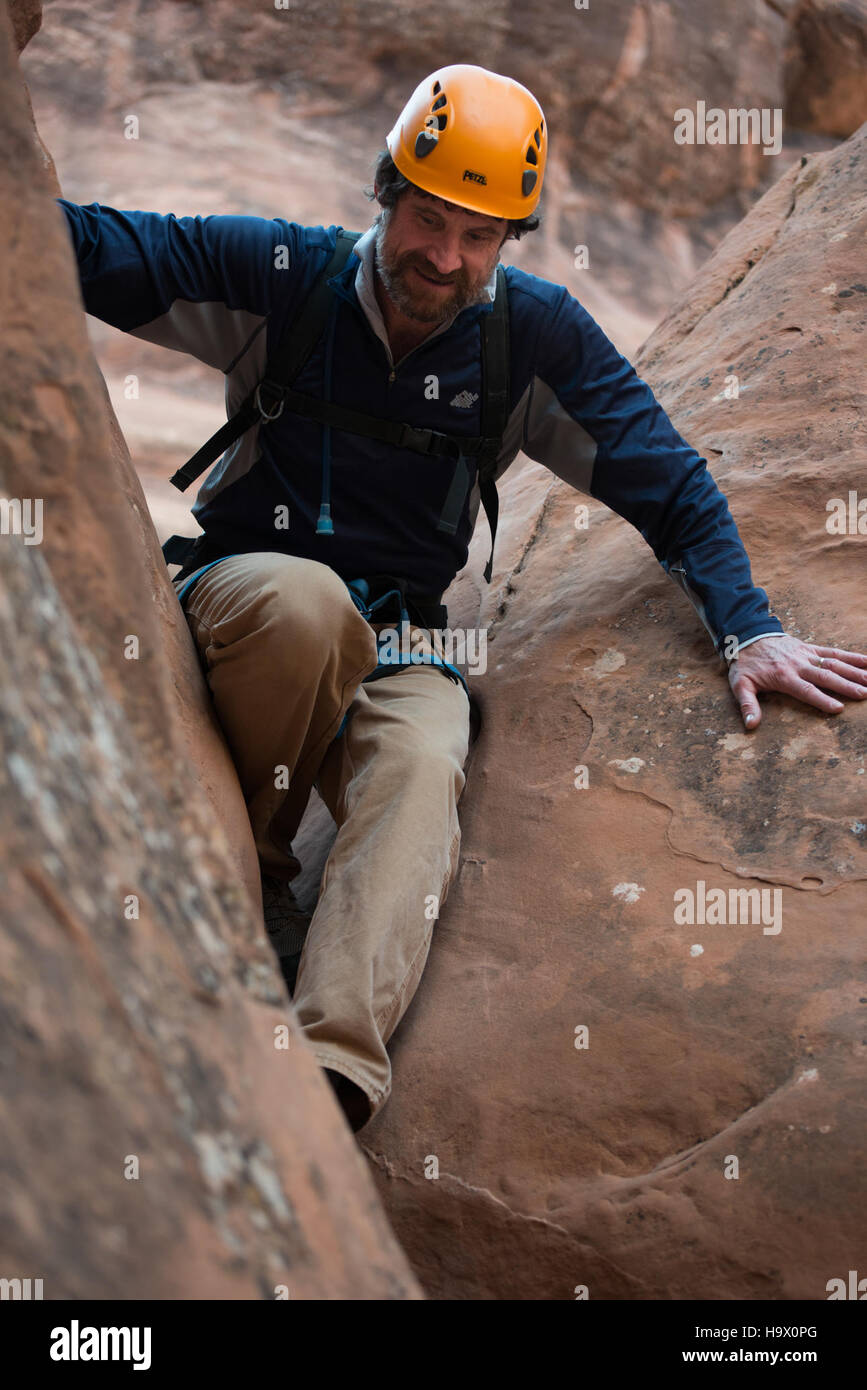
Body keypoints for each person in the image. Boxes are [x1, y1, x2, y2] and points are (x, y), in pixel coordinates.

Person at [58, 64, 867, 1133]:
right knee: (306, 607)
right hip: (245, 594)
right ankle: (248, 873)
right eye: (429, 219)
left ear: (508, 242)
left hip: (399, 636)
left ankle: (327, 1075)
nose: (444, 258)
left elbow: (666, 479)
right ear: (385, 193)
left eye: (478, 236)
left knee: (426, 755)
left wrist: (747, 626)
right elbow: (78, 245)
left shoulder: (528, 337)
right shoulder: (280, 274)